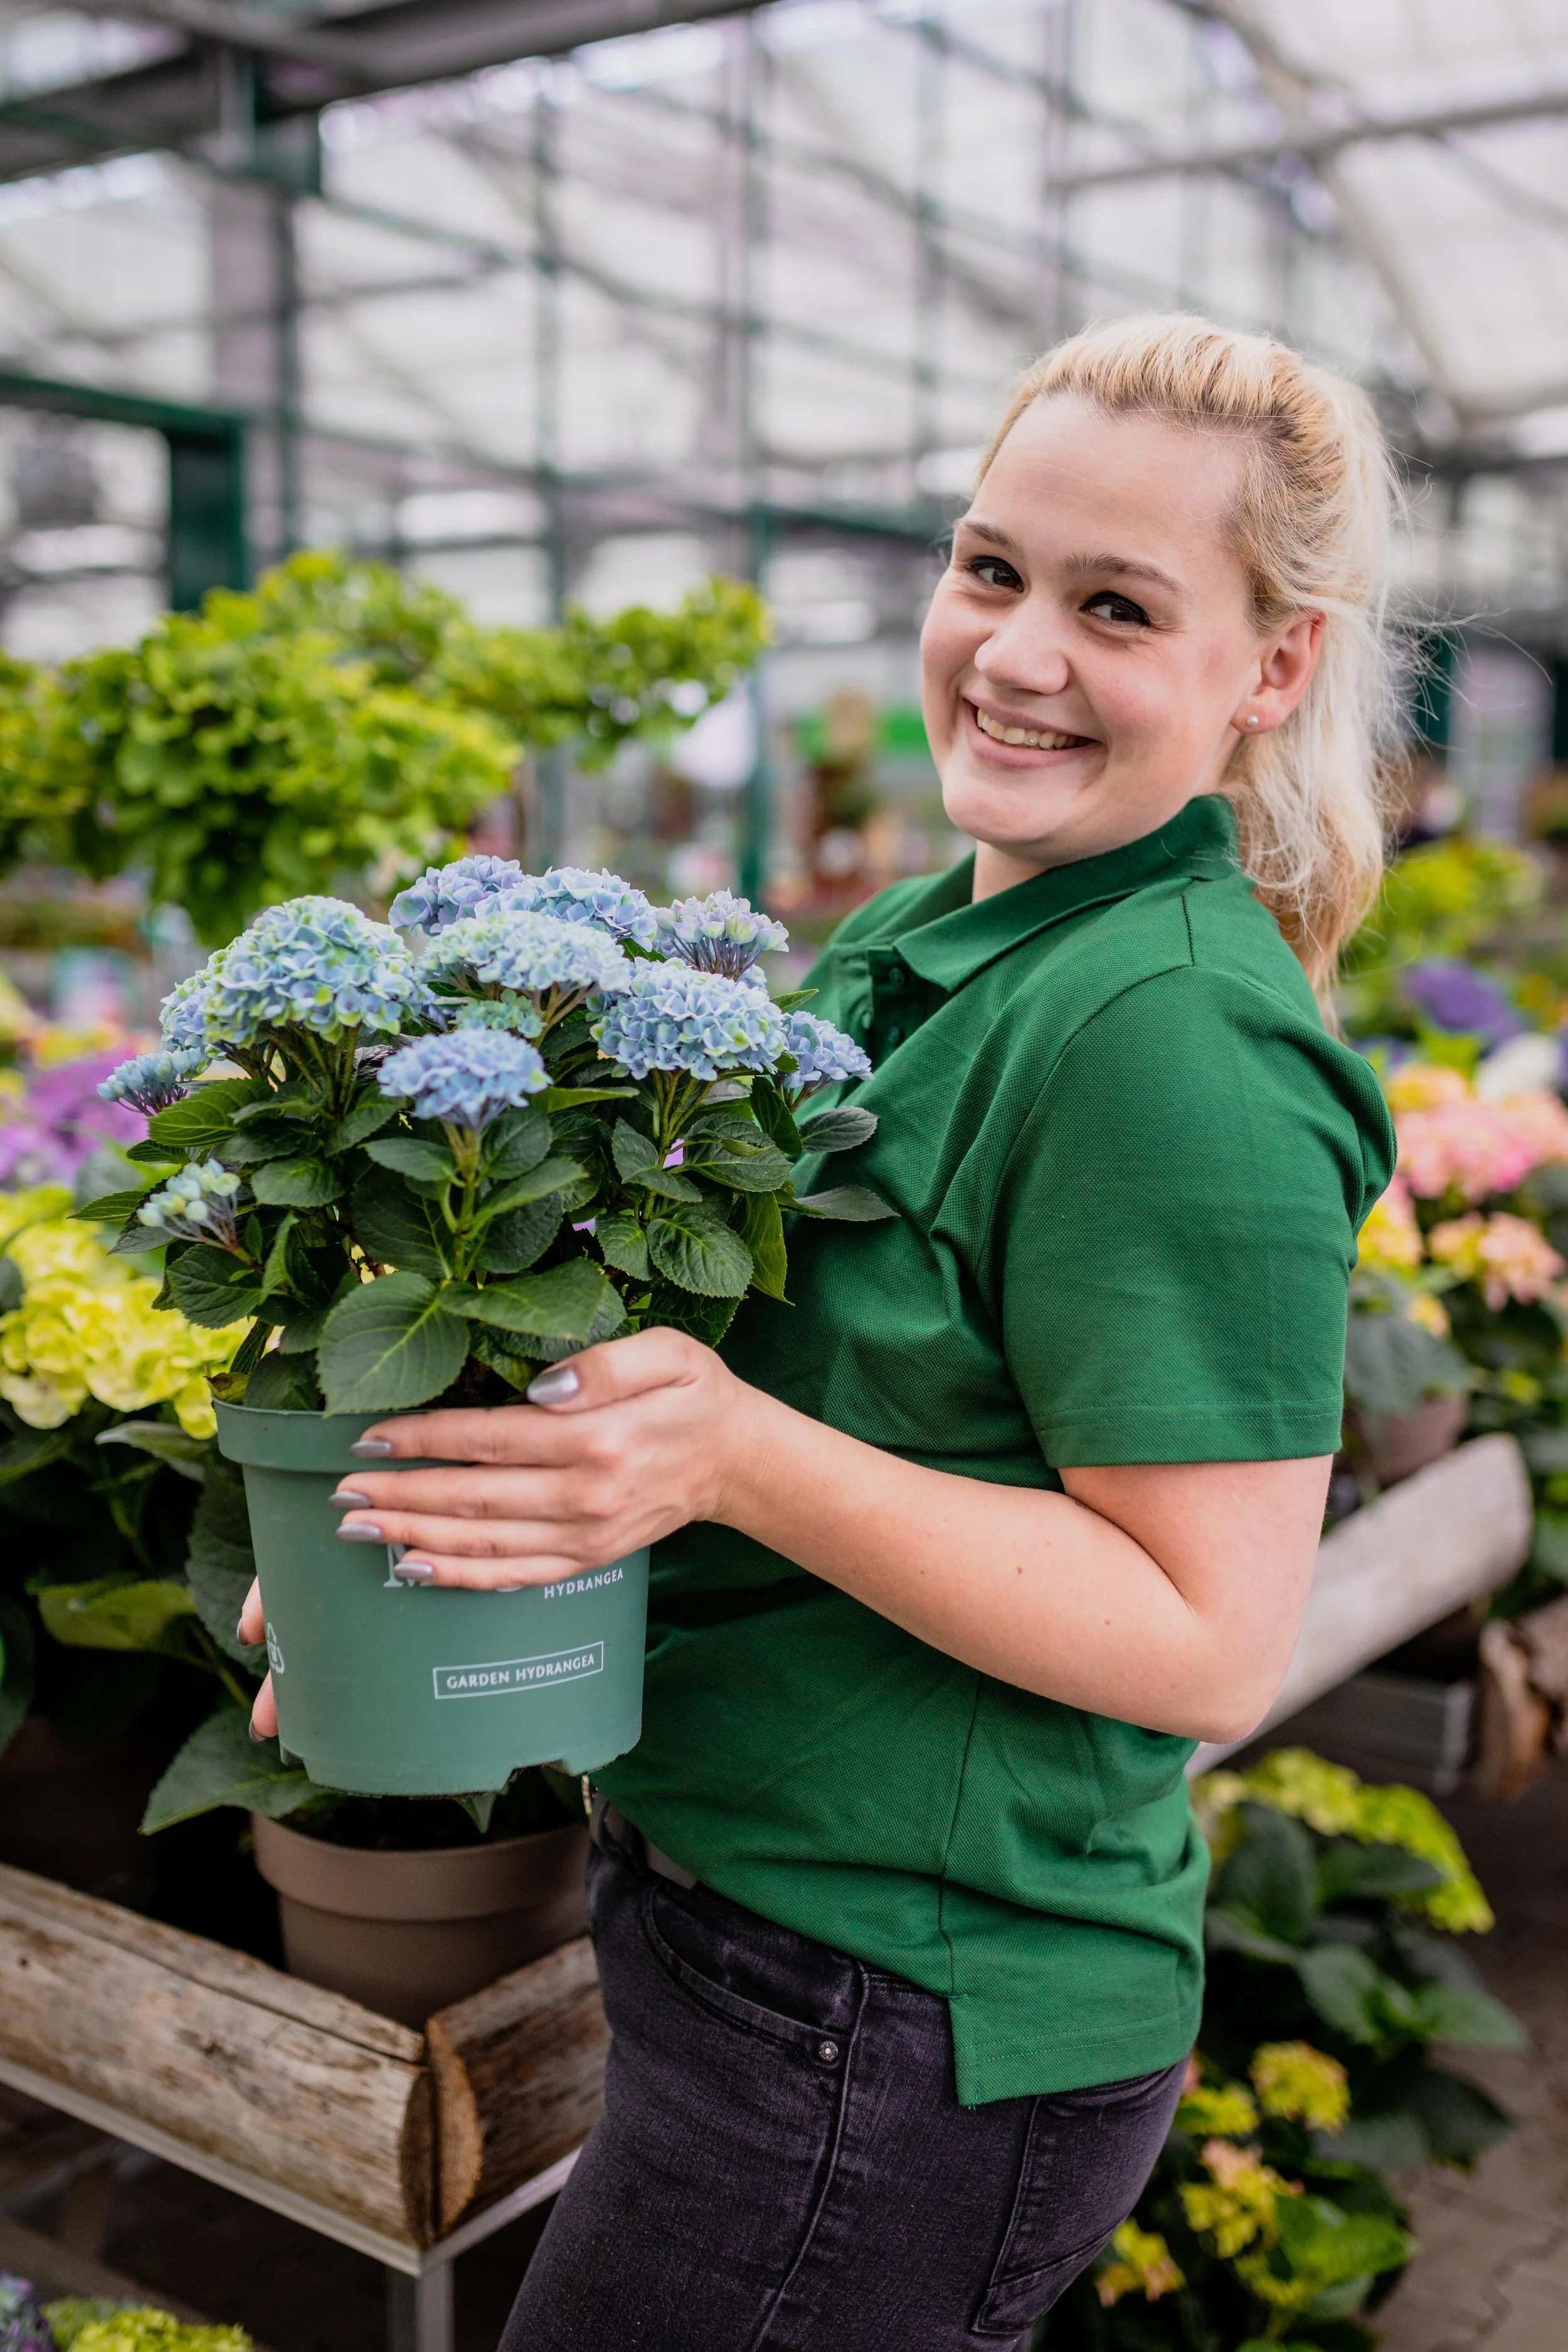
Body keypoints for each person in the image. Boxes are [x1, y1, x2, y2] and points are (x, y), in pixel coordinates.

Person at [243, 313, 1398, 2351]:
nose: (1017, 653)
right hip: (766, 1957)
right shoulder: (914, 943)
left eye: (1115, 606)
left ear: (1271, 665)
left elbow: (1208, 1635)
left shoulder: (1167, 1034)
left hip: (897, 2025)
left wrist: (725, 1453)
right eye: (989, 569)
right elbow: (787, 1407)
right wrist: (454, 1560)